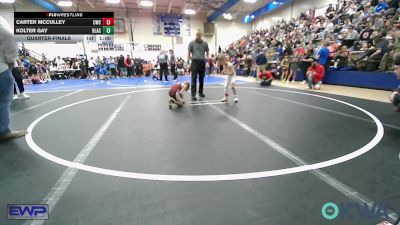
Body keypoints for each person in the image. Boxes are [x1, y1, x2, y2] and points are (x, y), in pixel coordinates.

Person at [0, 18, 28, 141]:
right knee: (3, 101)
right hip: (1, 68)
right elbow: (9, 35)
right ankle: (3, 131)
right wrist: (11, 61)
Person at [188, 30, 209, 101]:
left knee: (201, 79)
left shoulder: (205, 43)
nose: (197, 36)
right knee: (193, 79)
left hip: (202, 62)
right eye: (197, 34)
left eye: (199, 35)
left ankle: (200, 92)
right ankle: (193, 95)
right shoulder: (191, 43)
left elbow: (208, 52)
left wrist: (207, 61)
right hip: (194, 62)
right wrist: (188, 63)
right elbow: (188, 53)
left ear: (201, 35)